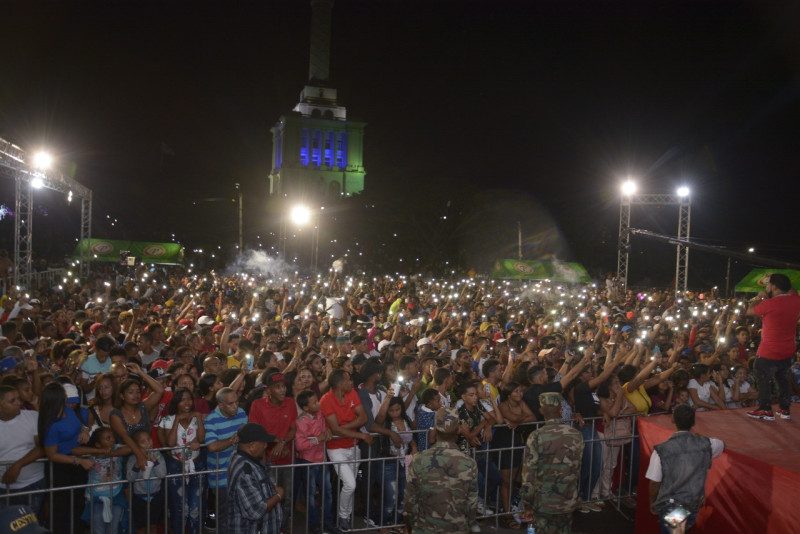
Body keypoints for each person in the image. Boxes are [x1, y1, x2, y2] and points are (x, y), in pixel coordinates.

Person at [646, 404, 724, 534]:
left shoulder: (662, 450)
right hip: (693, 503)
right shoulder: (706, 444)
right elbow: (721, 444)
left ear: (673, 420)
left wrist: (653, 502)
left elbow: (654, 482)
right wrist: (700, 439)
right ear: (693, 422)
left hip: (675, 507)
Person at [405, 407, 478, 534]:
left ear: (436, 429)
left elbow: (410, 502)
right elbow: (471, 505)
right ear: (457, 430)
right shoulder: (469, 463)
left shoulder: (420, 460)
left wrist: (412, 526)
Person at [521, 392, 583, 534]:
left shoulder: (536, 437)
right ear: (561, 409)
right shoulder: (576, 434)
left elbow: (528, 475)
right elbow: (577, 469)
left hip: (544, 503)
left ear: (541, 410)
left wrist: (527, 504)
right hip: (567, 500)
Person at [319, 369, 372, 532]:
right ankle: (343, 516)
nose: (352, 382)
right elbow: (336, 429)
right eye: (348, 380)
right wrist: (360, 435)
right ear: (340, 384)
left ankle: (345, 518)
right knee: (350, 484)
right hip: (336, 449)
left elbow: (363, 418)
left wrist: (340, 429)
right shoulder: (326, 400)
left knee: (350, 485)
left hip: (353, 446)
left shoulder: (352, 394)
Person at [745, 273, 800, 420]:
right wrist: (782, 282)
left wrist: (758, 297)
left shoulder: (769, 304)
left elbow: (749, 311)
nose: (767, 287)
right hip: (788, 350)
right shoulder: (796, 300)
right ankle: (784, 409)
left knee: (762, 376)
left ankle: (765, 409)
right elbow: (792, 290)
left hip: (769, 350)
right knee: (783, 379)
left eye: (768, 284)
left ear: (774, 286)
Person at [157, 387, 205, 534]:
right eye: (183, 399)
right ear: (176, 402)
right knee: (180, 508)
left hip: (196, 464)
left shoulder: (197, 418)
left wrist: (197, 420)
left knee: (195, 508)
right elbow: (170, 444)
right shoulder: (167, 420)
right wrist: (177, 420)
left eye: (189, 399)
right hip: (176, 466)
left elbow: (202, 439)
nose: (187, 402)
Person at [227, 422, 285, 534]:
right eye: (263, 443)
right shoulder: (244, 472)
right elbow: (256, 510)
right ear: (252, 446)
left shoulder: (240, 455)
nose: (266, 446)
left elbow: (263, 467)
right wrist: (279, 495)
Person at [204, 387, 248, 531]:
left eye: (237, 402)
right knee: (225, 516)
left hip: (241, 472)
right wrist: (232, 440)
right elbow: (212, 446)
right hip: (220, 476)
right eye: (231, 404)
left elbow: (247, 437)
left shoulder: (241, 413)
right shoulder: (211, 419)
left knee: (243, 512)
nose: (236, 406)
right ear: (221, 405)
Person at [294, 390, 335, 534]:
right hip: (308, 462)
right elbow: (299, 445)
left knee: (327, 492)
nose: (318, 403)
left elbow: (325, 430)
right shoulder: (301, 421)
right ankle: (314, 524)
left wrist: (328, 431)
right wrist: (319, 438)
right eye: (314, 402)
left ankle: (328, 522)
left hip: (321, 459)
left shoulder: (320, 416)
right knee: (310, 495)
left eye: (317, 400)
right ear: (305, 408)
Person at [0, 385, 45, 515]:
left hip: (32, 484)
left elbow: (42, 447)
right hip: (3, 489)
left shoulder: (32, 417)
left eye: (19, 399)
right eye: (12, 401)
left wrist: (17, 465)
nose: (18, 403)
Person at [125, 429, 167, 534]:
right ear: (136, 445)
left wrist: (154, 460)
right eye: (143, 442)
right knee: (141, 527)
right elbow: (130, 478)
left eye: (149, 439)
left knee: (153, 525)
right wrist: (137, 465)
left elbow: (162, 474)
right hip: (139, 497)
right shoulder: (133, 458)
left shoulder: (158, 455)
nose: (148, 443)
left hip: (156, 495)